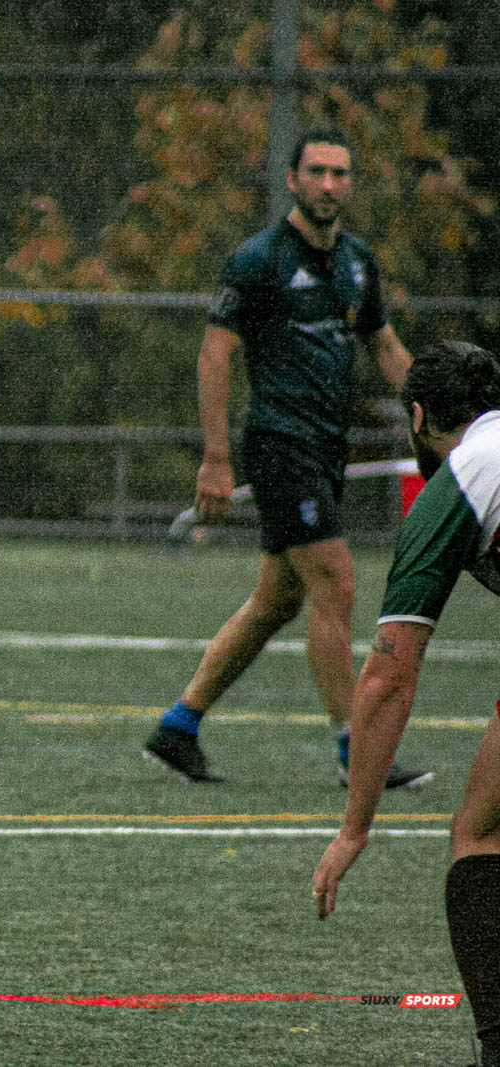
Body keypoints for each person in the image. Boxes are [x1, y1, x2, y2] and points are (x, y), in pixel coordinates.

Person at [143, 126, 427, 788]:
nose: (329, 184)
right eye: (317, 171)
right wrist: (215, 459)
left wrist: (437, 416)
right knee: (336, 580)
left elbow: (384, 346)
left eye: (340, 173)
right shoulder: (259, 260)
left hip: (326, 445)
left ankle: (178, 726)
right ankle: (356, 749)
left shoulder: (357, 262)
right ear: (293, 180)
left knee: (277, 599)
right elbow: (215, 354)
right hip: (278, 441)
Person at [313, 340, 500, 1066]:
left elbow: (390, 672)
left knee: (481, 834)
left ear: (419, 416)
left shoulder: (462, 476)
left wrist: (355, 826)